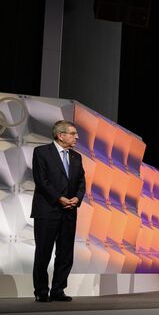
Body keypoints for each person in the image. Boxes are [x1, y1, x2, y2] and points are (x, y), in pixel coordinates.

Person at [31, 120, 86, 302]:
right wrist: (59, 198)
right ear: (60, 135)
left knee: (65, 253)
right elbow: (41, 180)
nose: (76, 137)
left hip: (69, 211)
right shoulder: (41, 152)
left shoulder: (76, 157)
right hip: (47, 210)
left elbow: (81, 183)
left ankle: (58, 290)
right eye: (73, 133)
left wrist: (77, 198)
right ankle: (41, 291)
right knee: (43, 252)